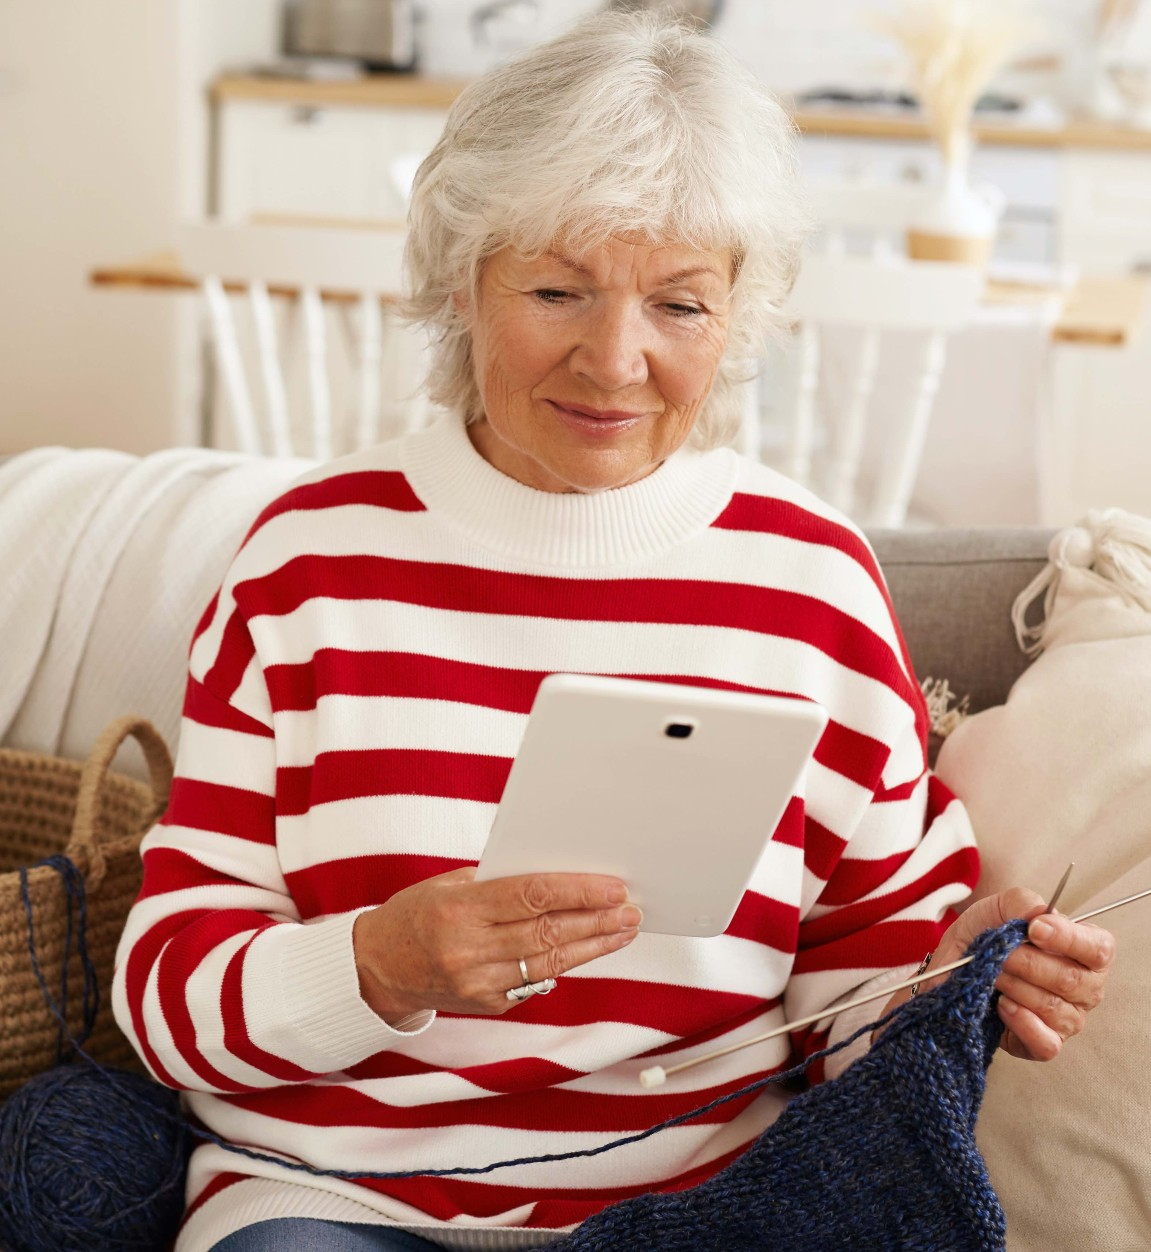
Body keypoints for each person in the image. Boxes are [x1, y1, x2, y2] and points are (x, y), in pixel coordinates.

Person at [113, 14, 1115, 1252]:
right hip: (339, 1202)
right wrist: (377, 965)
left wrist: (956, 979)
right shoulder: (307, 562)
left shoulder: (810, 583)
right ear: (459, 285)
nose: (616, 357)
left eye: (678, 303)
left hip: (711, 1209)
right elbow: (162, 997)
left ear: (735, 315)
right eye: (554, 290)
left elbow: (855, 996)